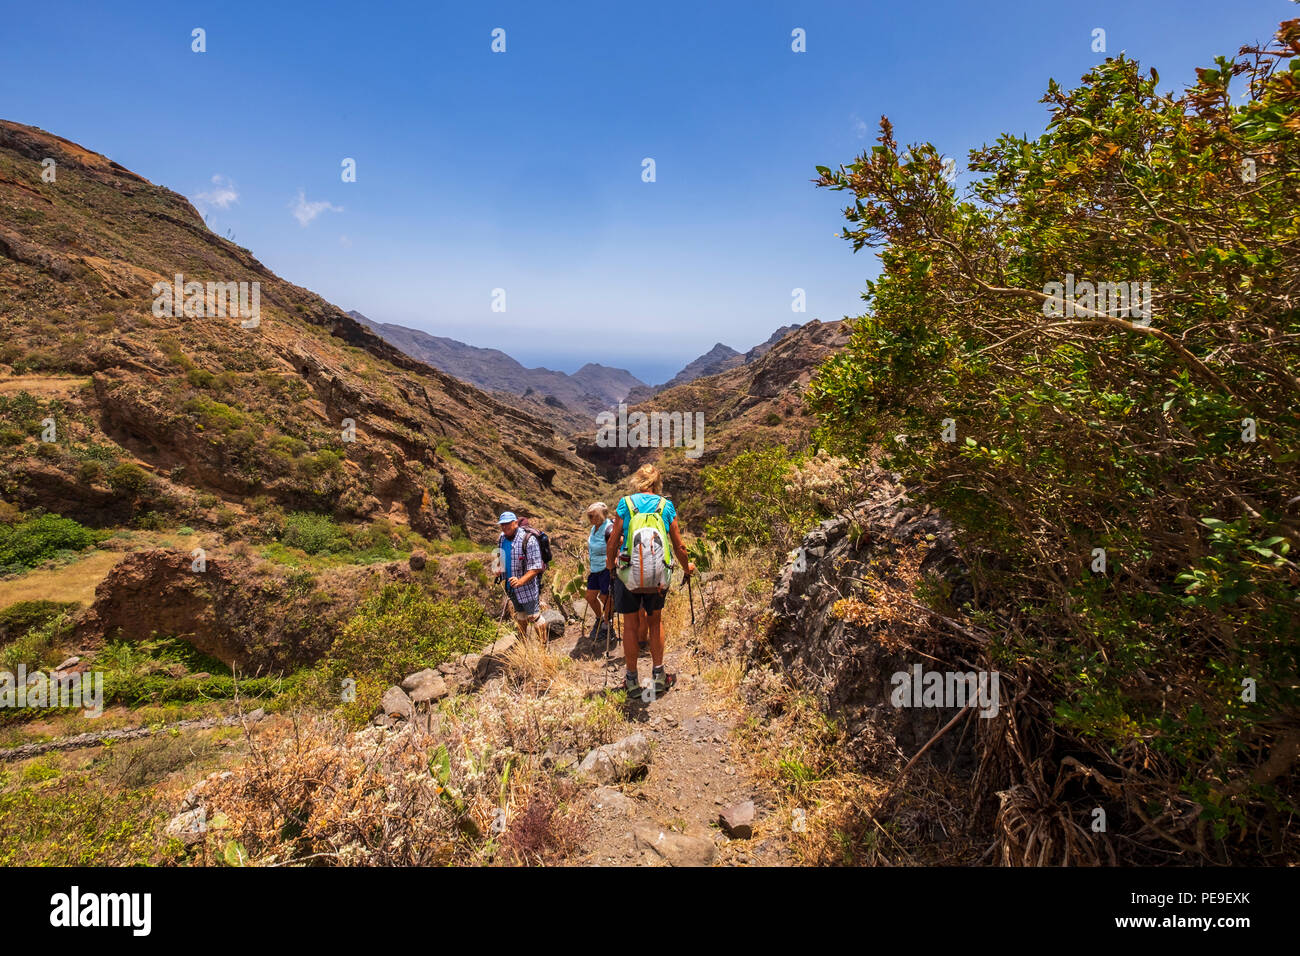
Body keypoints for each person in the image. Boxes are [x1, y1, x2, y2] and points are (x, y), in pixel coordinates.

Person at [607, 464, 695, 696]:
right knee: (655, 622)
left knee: (630, 625)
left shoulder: (625, 504)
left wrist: (610, 566)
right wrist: (688, 567)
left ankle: (632, 680)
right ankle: (658, 676)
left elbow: (614, 539)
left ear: (638, 481)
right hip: (657, 575)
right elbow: (679, 545)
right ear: (658, 482)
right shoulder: (666, 506)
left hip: (628, 573)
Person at [495, 511, 546, 644]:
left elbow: (536, 567)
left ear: (515, 523)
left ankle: (544, 647)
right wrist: (498, 568)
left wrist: (520, 581)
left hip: (527, 587)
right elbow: (499, 554)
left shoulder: (528, 539)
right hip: (510, 586)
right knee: (520, 614)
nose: (504, 527)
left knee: (534, 617)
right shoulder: (502, 537)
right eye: (502, 525)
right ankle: (523, 642)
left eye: (507, 524)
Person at [584, 502, 614, 642]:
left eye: (593, 515)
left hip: (606, 568)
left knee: (605, 597)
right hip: (595, 568)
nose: (590, 518)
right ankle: (599, 618)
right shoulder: (593, 529)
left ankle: (608, 624)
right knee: (590, 596)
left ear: (602, 515)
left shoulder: (609, 528)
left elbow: (614, 547)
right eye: (589, 516)